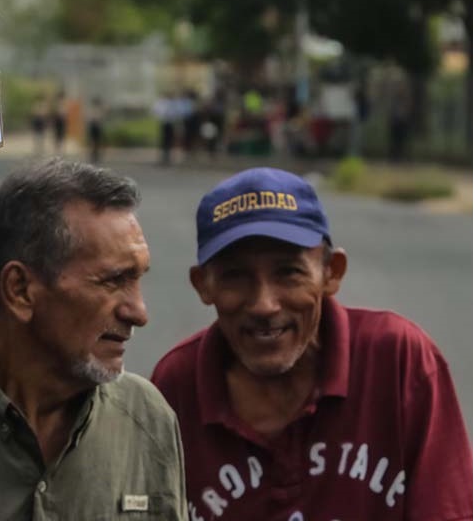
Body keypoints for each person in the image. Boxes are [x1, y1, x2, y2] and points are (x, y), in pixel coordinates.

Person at [151, 168, 473, 521]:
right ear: (203, 285)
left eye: (288, 272)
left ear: (331, 273)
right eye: (235, 276)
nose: (264, 304)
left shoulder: (398, 360)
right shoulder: (176, 388)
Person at [0, 159, 188, 521]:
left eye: (138, 279)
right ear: (20, 290)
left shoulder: (147, 417)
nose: (139, 312)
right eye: (113, 281)